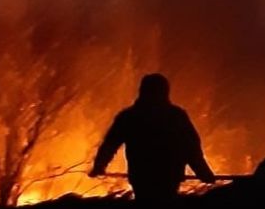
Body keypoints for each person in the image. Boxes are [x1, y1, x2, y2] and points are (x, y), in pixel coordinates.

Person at [90, 73, 215, 201]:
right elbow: (191, 148)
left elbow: (110, 144)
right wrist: (203, 172)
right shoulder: (176, 116)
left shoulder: (129, 116)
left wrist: (99, 166)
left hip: (141, 176)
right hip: (169, 176)